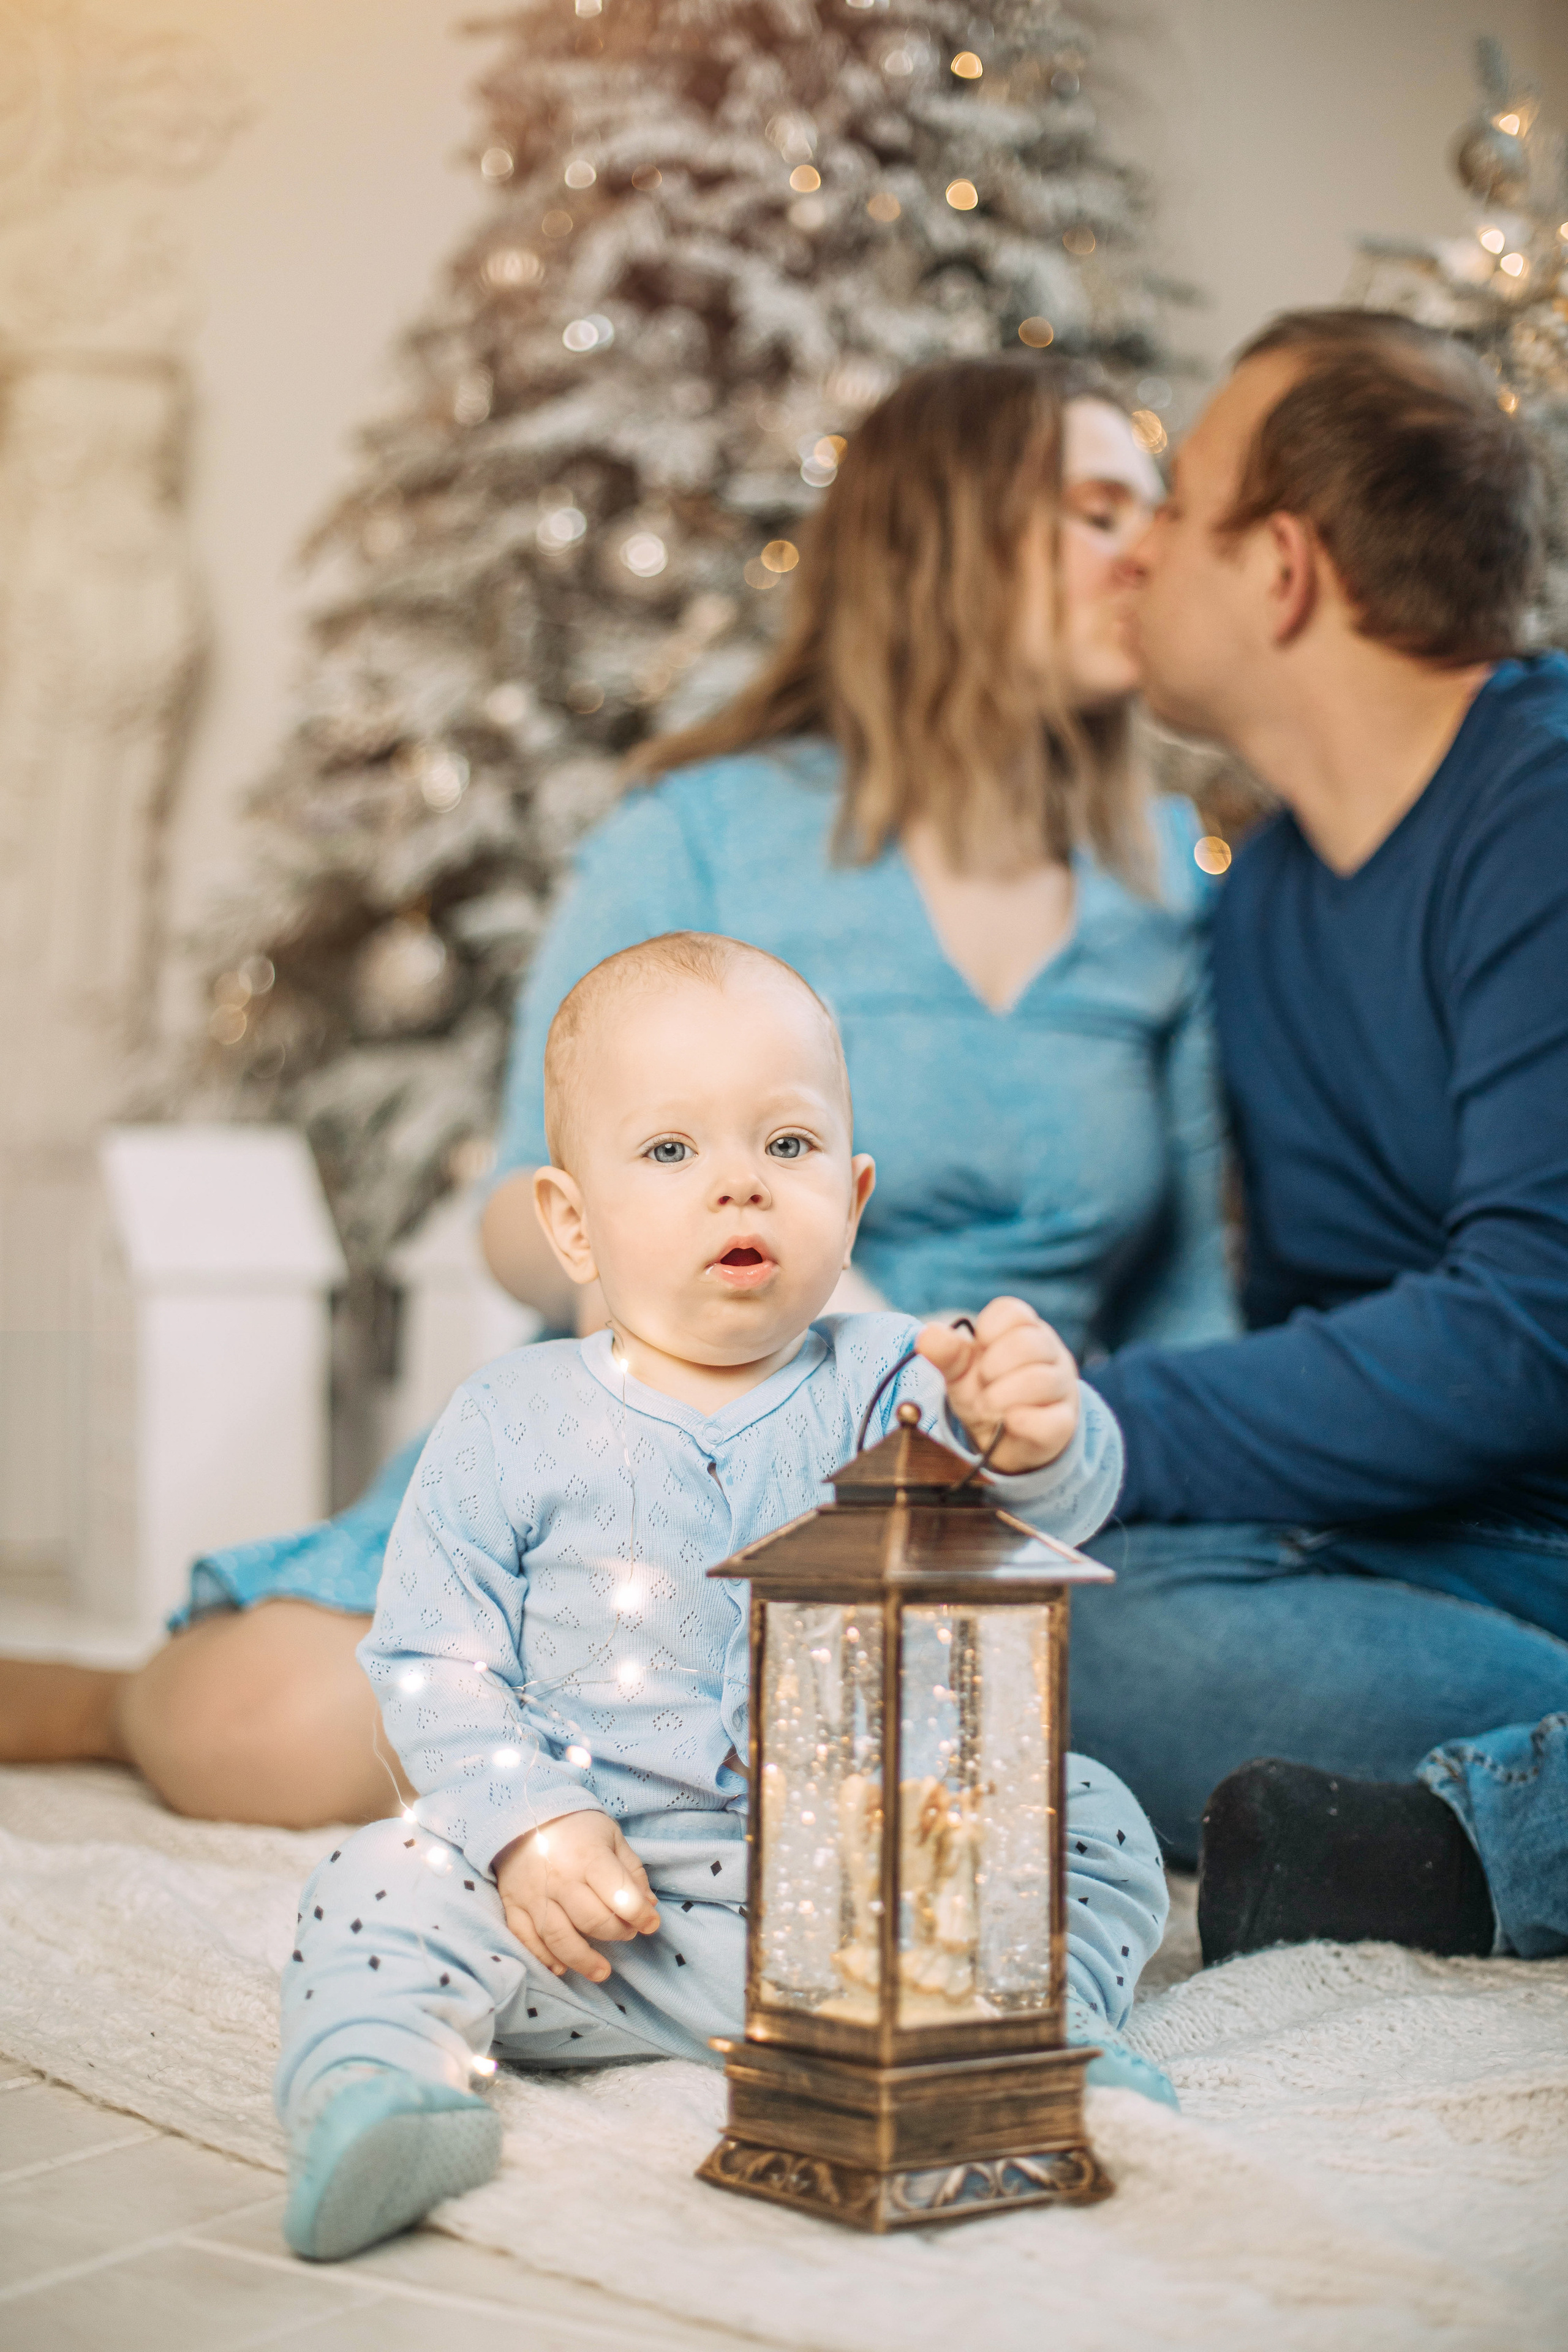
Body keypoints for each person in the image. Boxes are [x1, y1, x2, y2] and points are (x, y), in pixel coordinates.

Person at [2, 352, 1234, 1829]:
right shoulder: (701, 829)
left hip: (982, 1494)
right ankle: (112, 1701)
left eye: (1152, 509)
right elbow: (523, 1209)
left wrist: (1069, 1448)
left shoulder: (1168, 872)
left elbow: (1192, 1295)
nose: (1149, 547)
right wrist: (763, 1292)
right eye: (1099, 509)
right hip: (662, 1428)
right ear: (950, 535)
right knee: (274, 1731)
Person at [278, 932, 1174, 2264]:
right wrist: (528, 1826)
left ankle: (1036, 2024)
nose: (740, 1185)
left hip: (888, 1914)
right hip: (597, 1929)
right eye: (669, 1152)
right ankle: (387, 2085)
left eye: (789, 1148)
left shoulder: (902, 1381)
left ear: (854, 1197)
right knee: (380, 1876)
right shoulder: (510, 1421)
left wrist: (1040, 1435)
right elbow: (428, 1654)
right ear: (570, 1223)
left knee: (1090, 1810)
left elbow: (1035, 1516)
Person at [1073, 309, 1568, 1965]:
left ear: (1281, 568)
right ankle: (1474, 1827)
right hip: (1437, 1551)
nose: (1131, 557)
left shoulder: (1545, 812)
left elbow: (1525, 1337)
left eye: (1176, 505)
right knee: (1040, 1616)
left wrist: (1093, 1420)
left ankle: (1470, 1837)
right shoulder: (1269, 899)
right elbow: (1318, 1333)